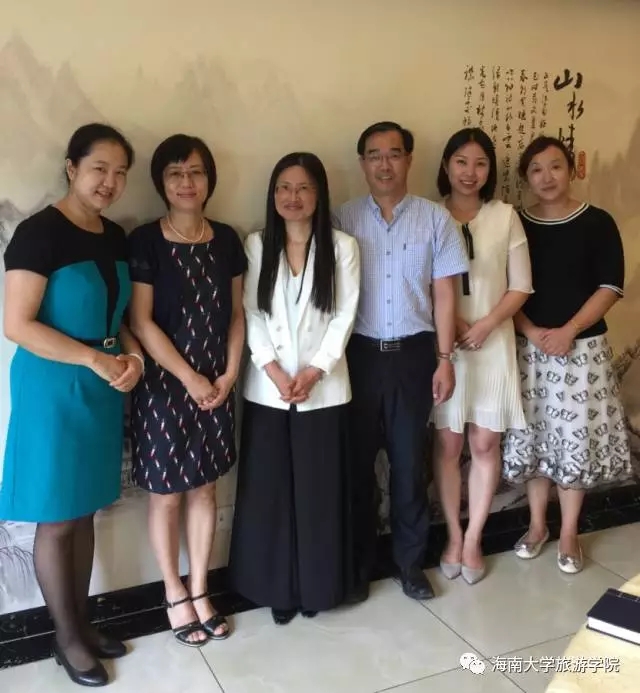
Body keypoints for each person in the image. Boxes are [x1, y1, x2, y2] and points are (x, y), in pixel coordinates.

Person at [1, 123, 142, 687]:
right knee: (57, 515)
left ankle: (80, 622)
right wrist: (93, 360)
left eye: (119, 173)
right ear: (71, 167)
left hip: (103, 385)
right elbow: (17, 324)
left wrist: (132, 358)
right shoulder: (38, 233)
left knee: (84, 509)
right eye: (99, 168)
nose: (109, 182)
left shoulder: (114, 236)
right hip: (52, 388)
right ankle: (65, 637)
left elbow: (119, 318)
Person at [333, 121, 468, 602]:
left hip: (414, 356)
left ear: (409, 159)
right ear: (362, 163)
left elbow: (445, 295)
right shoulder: (343, 218)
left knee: (410, 466)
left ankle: (410, 564)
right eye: (374, 155)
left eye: (393, 154)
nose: (384, 164)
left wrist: (444, 358)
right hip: (358, 356)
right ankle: (359, 564)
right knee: (357, 466)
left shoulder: (435, 219)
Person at [229, 152, 360, 625]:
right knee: (272, 494)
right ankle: (276, 589)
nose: (293, 196)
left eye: (303, 187)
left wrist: (315, 371)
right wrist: (274, 370)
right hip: (269, 390)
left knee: (318, 494)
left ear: (319, 194)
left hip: (323, 390)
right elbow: (251, 312)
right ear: (273, 194)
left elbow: (344, 315)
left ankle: (317, 588)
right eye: (284, 187)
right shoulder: (257, 244)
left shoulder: (342, 246)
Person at [127, 135, 245, 646]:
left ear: (209, 179)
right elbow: (141, 321)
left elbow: (237, 314)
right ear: (161, 182)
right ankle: (173, 592)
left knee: (205, 489)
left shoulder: (227, 240)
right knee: (167, 495)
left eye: (195, 171)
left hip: (217, 384)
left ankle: (200, 589)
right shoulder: (145, 241)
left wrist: (230, 373)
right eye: (175, 173)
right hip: (163, 385)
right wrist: (188, 377)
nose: (186, 182)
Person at [503, 135, 632, 573]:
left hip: (582, 351)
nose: (547, 177)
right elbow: (506, 288)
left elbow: (610, 286)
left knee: (574, 440)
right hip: (529, 348)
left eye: (555, 166)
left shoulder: (597, 221)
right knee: (536, 437)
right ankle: (537, 525)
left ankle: (570, 532)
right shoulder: (516, 224)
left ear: (572, 169)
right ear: (526, 177)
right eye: (536, 169)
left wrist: (569, 331)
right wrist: (531, 331)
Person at [431, 128, 532, 585]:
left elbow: (521, 286)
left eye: (480, 163)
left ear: (490, 170)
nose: (470, 172)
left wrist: (486, 325)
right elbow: (423, 282)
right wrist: (454, 326)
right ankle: (452, 536)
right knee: (449, 445)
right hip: (447, 346)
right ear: (446, 166)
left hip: (492, 344)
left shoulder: (505, 216)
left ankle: (474, 539)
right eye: (461, 162)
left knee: (485, 444)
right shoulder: (431, 215)